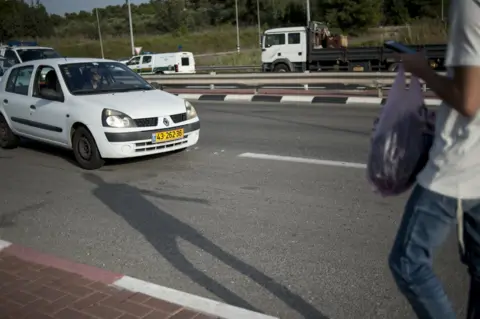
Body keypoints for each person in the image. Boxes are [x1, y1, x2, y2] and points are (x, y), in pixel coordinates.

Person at [388, 0, 480, 318]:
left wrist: (421, 69)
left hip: (460, 163)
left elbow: (468, 101)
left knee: (407, 262)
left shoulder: (469, 7)